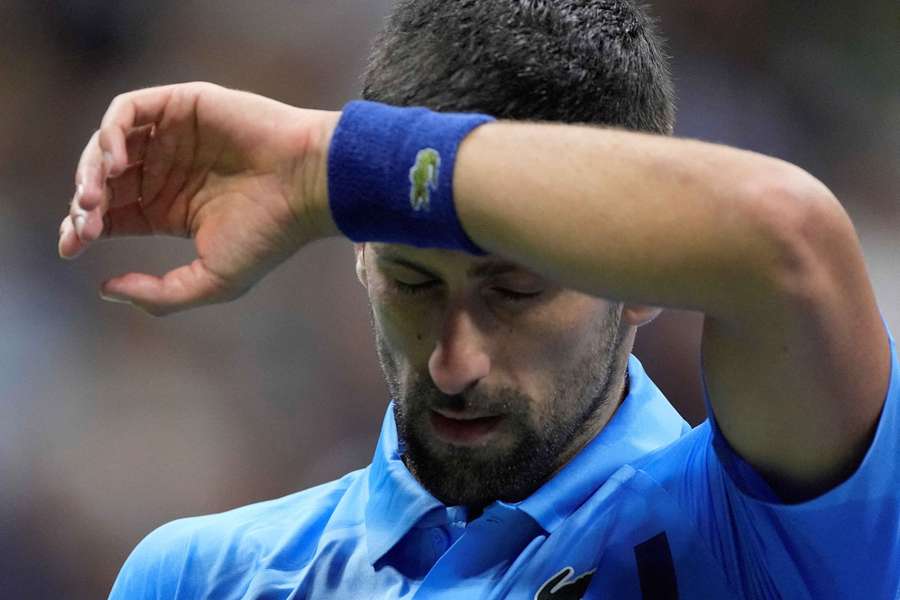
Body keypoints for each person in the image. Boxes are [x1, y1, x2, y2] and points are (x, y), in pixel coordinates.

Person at [59, 1, 899, 599]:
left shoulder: (759, 538)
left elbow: (787, 242)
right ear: (360, 254)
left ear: (647, 280)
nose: (453, 363)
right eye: (413, 283)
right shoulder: (202, 578)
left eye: (518, 289)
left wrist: (334, 163)